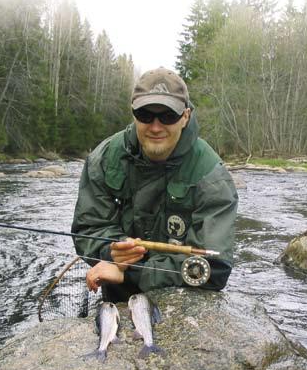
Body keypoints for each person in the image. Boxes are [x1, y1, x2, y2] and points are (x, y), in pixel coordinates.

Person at [71, 67, 238, 302]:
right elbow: (88, 229)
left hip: (183, 299)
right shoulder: (105, 159)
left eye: (168, 116)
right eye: (146, 115)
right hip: (116, 293)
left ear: (185, 117)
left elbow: (213, 267)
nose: (156, 126)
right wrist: (111, 251)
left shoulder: (210, 175)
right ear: (134, 115)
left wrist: (132, 272)